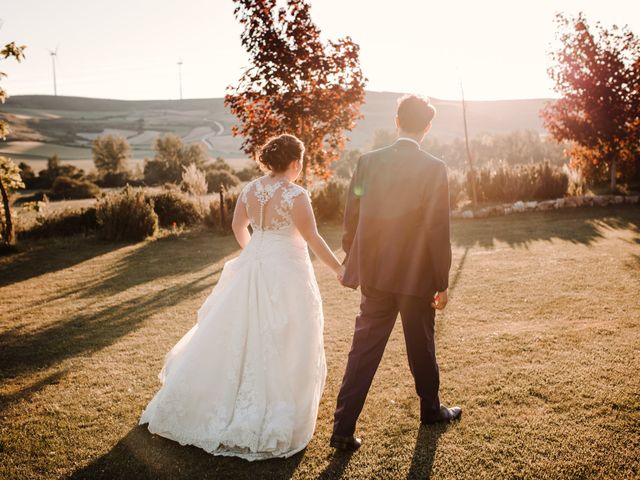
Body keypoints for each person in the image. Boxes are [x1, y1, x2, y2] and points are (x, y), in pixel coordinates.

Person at [139, 134, 343, 460]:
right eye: (300, 161)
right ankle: (273, 407)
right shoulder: (296, 195)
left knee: (239, 333)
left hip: (254, 264)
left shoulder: (250, 190)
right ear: (295, 163)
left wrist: (255, 254)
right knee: (288, 333)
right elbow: (313, 239)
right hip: (286, 271)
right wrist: (339, 270)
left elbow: (238, 227)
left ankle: (218, 402)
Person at [331, 94, 461, 451]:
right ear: (428, 127)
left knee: (363, 350)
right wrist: (441, 282)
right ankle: (431, 411)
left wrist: (356, 257)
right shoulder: (434, 167)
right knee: (422, 346)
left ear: (397, 120)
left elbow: (351, 217)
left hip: (375, 275)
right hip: (417, 277)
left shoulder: (368, 161)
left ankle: (342, 429)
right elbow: (438, 229)